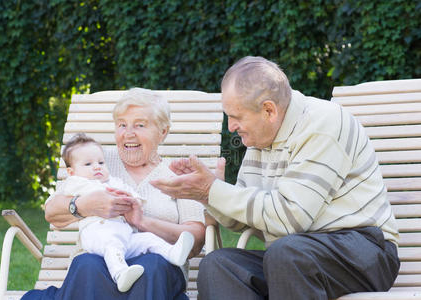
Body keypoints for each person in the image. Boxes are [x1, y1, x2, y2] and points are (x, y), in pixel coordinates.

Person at [151, 56, 400, 299]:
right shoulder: (261, 137)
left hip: (363, 251)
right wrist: (206, 194)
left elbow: (291, 219)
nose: (231, 127)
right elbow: (243, 221)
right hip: (294, 257)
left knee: (287, 253)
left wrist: (212, 190)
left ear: (269, 110)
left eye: (236, 117)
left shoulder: (324, 123)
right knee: (218, 266)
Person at [23, 88, 205, 300]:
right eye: (122, 125)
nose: (128, 133)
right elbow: (52, 211)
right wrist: (83, 205)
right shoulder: (96, 160)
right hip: (98, 267)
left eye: (140, 125)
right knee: (87, 264)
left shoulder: (178, 175)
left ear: (162, 132)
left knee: (151, 265)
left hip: (157, 269)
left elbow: (196, 239)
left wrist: (143, 222)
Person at [58, 133, 195, 293]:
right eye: (88, 164)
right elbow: (54, 207)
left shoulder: (112, 181)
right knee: (112, 247)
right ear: (71, 172)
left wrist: (134, 201)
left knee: (148, 239)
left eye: (101, 162)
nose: (97, 167)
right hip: (99, 237)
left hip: (125, 236)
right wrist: (83, 203)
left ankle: (172, 253)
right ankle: (120, 274)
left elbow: (133, 196)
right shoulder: (76, 183)